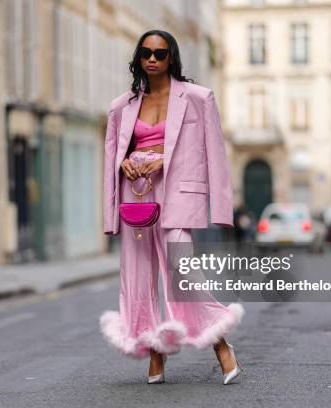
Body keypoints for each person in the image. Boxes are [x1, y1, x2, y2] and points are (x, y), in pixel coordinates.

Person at [100, 29, 245, 384]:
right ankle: (156, 353)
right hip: (136, 194)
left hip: (176, 192)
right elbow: (111, 157)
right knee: (137, 279)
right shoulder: (122, 106)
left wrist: (220, 209)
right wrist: (124, 164)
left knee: (182, 274)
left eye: (160, 53)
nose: (152, 58)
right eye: (146, 52)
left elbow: (215, 152)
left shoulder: (198, 98)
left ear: (171, 58)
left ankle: (220, 344)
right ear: (138, 58)